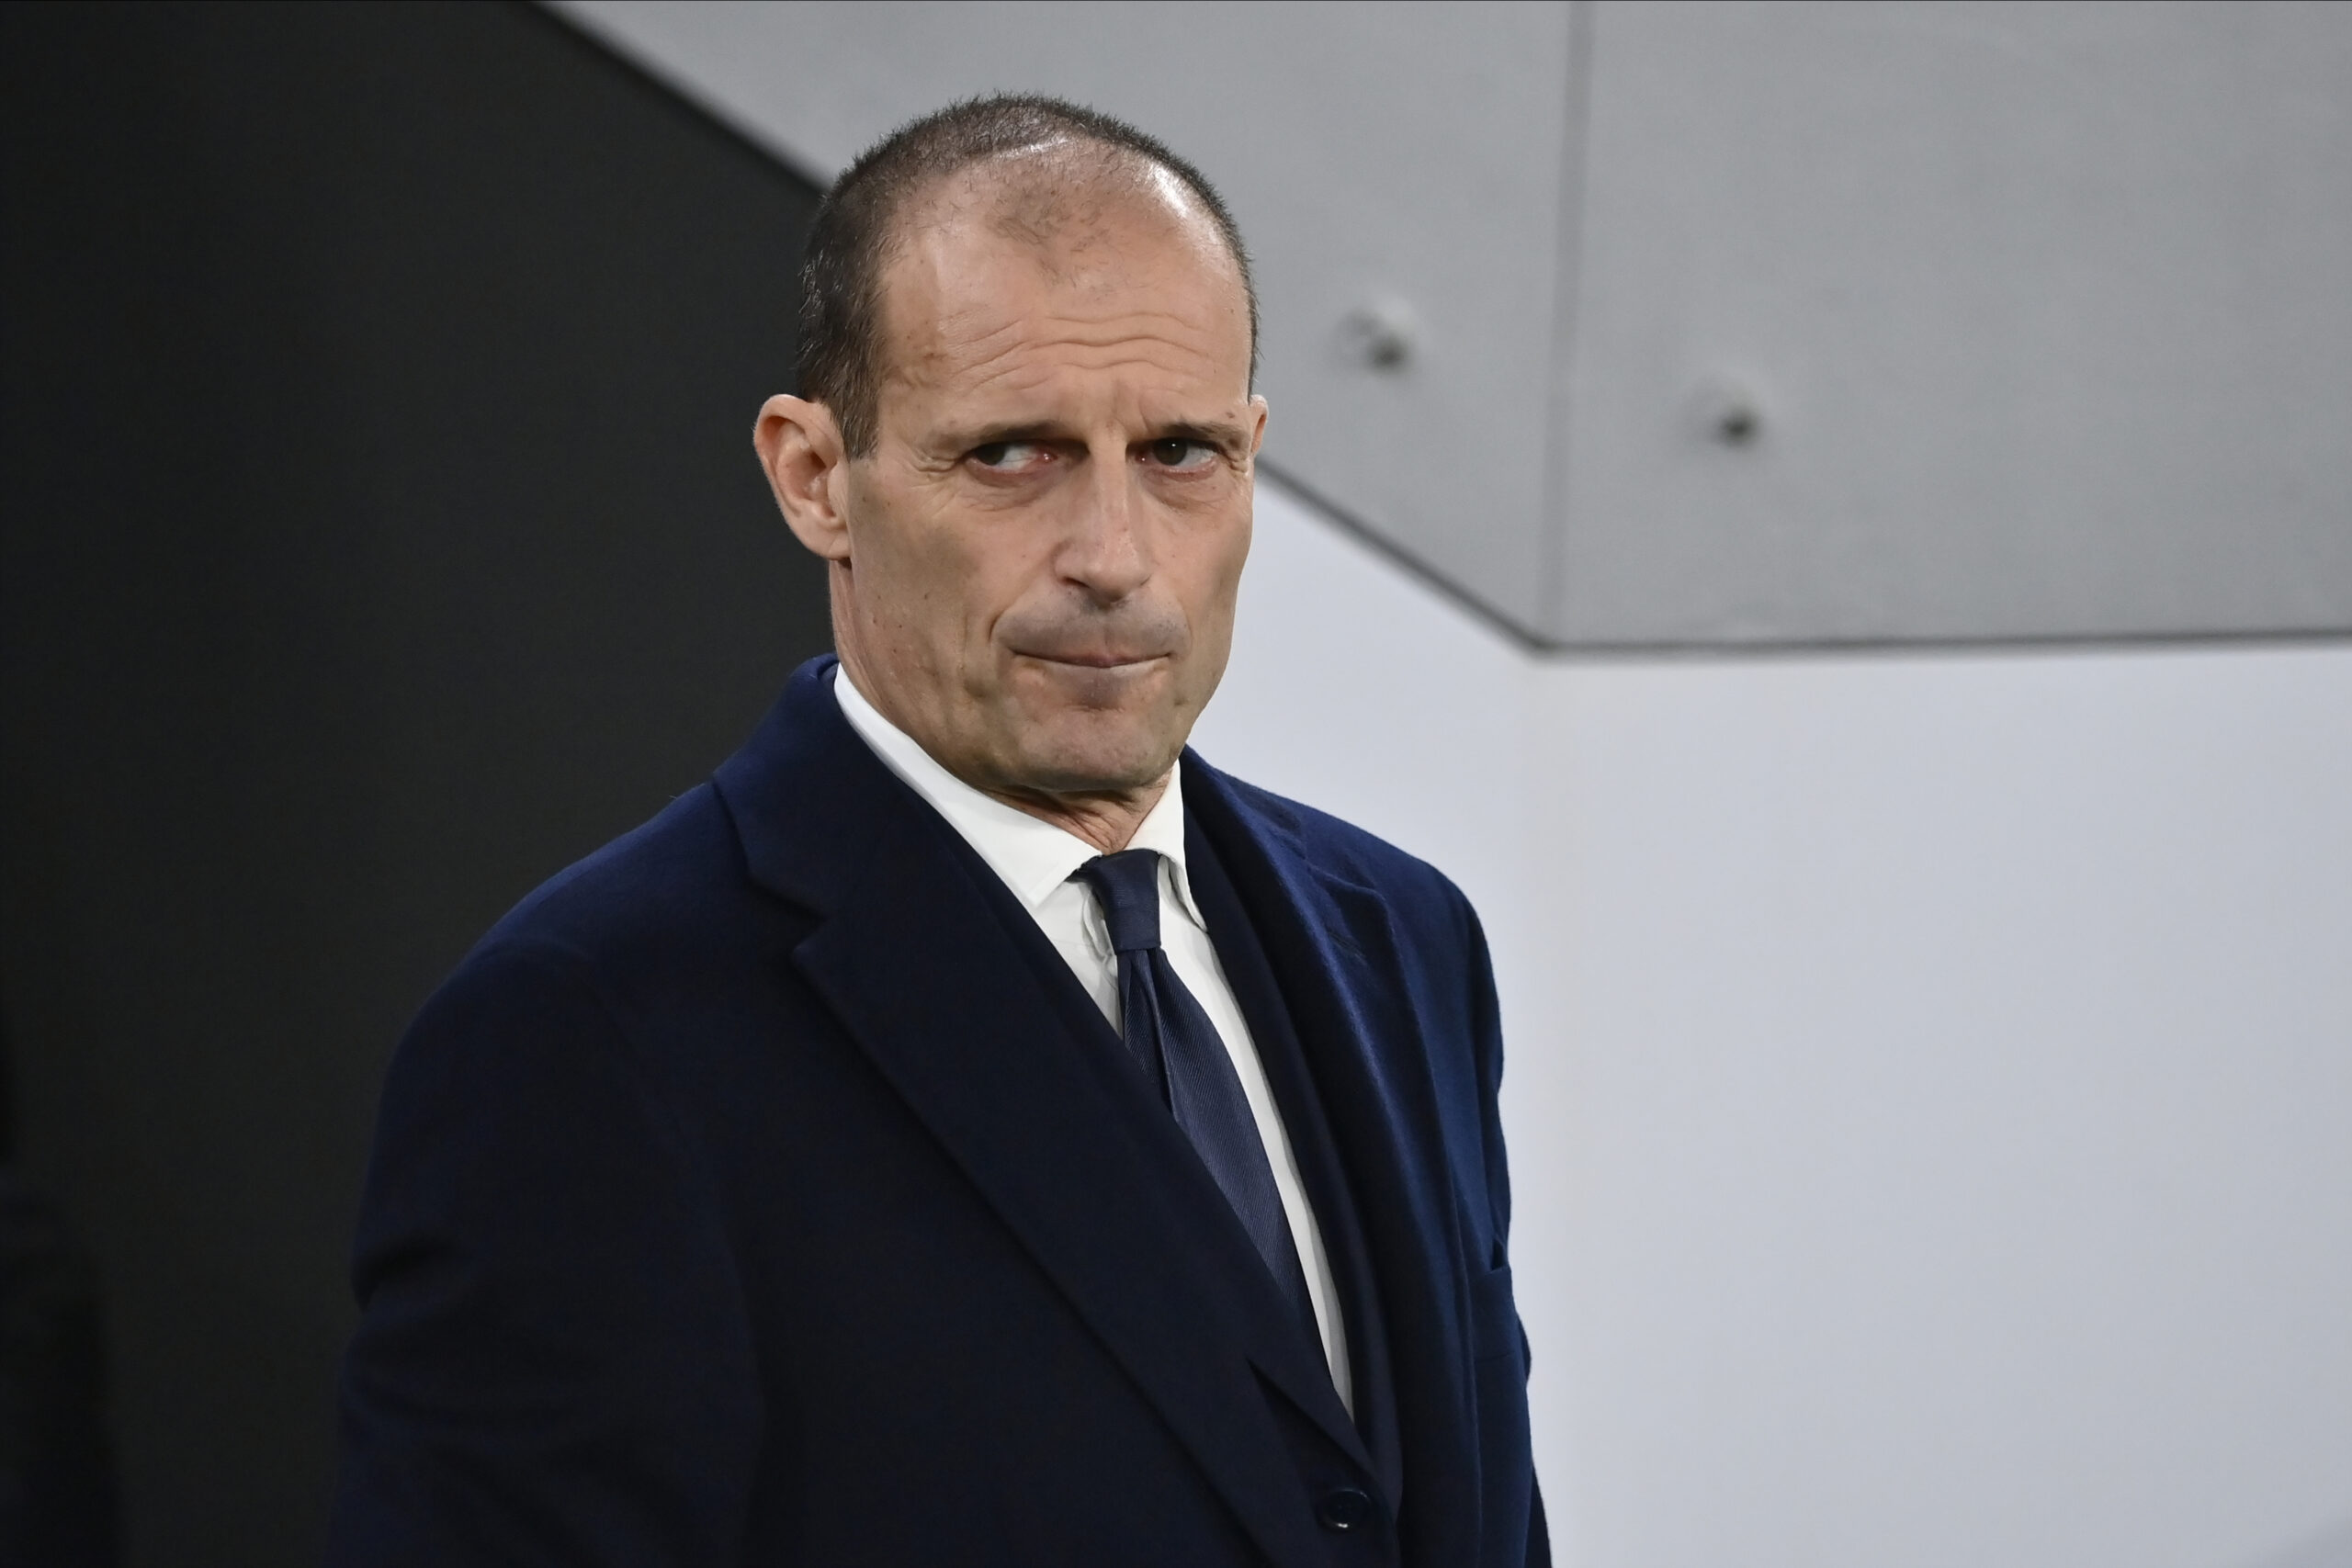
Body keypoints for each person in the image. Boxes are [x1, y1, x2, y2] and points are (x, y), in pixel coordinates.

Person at [326, 95, 1544, 1568]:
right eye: (1013, 454)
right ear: (814, 477)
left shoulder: (1404, 937)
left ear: (1252, 455)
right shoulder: (587, 1034)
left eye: (1180, 451)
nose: (1114, 556)